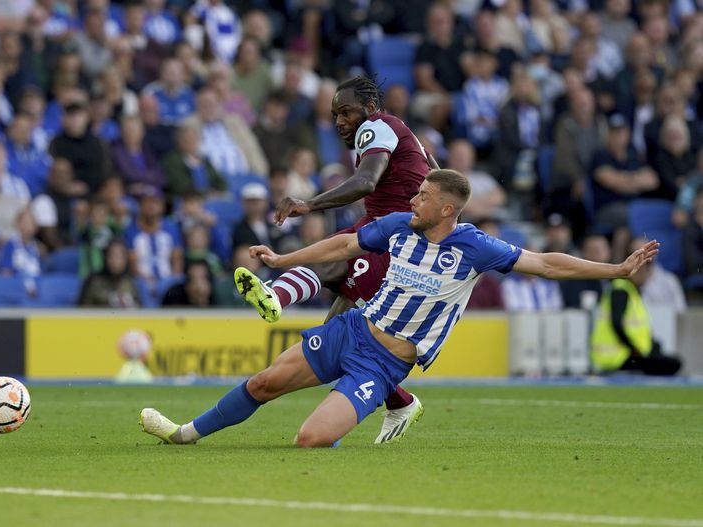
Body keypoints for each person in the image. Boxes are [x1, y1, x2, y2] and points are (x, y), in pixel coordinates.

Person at [141, 169, 659, 447]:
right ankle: (183, 434)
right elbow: (343, 248)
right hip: (352, 329)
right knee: (262, 384)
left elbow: (545, 263)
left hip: (384, 363)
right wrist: (282, 259)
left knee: (309, 440)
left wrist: (614, 269)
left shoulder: (474, 246)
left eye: (423, 195)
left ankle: (381, 404)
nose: (414, 199)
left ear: (447, 209)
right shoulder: (396, 226)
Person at [234, 75, 439, 445]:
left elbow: (365, 182)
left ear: (371, 108)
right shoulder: (399, 132)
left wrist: (308, 203)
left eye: (346, 111)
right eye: (334, 114)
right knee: (336, 337)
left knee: (331, 258)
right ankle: (399, 402)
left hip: (394, 237)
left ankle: (276, 297)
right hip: (384, 229)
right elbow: (438, 175)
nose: (340, 121)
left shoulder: (374, 128)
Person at [590, 241, 682, 376]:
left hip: (625, 355)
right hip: (619, 358)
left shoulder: (630, 292)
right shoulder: (621, 290)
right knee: (673, 364)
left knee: (667, 360)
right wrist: (633, 349)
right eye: (644, 269)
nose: (645, 274)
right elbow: (617, 323)